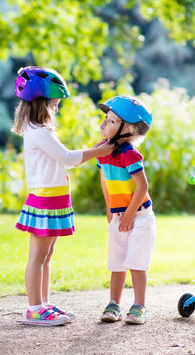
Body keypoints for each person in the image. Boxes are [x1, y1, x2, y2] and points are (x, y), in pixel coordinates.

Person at [13, 66, 114, 326]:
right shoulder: (37, 131)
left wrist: (95, 150)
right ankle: (34, 308)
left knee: (47, 256)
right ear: (40, 103)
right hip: (45, 200)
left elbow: (63, 160)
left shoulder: (43, 129)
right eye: (54, 105)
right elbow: (67, 158)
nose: (56, 110)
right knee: (37, 256)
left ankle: (43, 303)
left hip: (55, 199)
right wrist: (98, 152)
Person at [96, 95, 156, 325]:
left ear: (128, 131)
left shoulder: (130, 154)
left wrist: (130, 214)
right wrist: (110, 209)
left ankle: (139, 305)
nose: (103, 124)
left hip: (139, 215)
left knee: (136, 262)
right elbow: (104, 180)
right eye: (106, 119)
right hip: (119, 214)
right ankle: (114, 303)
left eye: (111, 121)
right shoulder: (103, 151)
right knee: (117, 261)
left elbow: (142, 186)